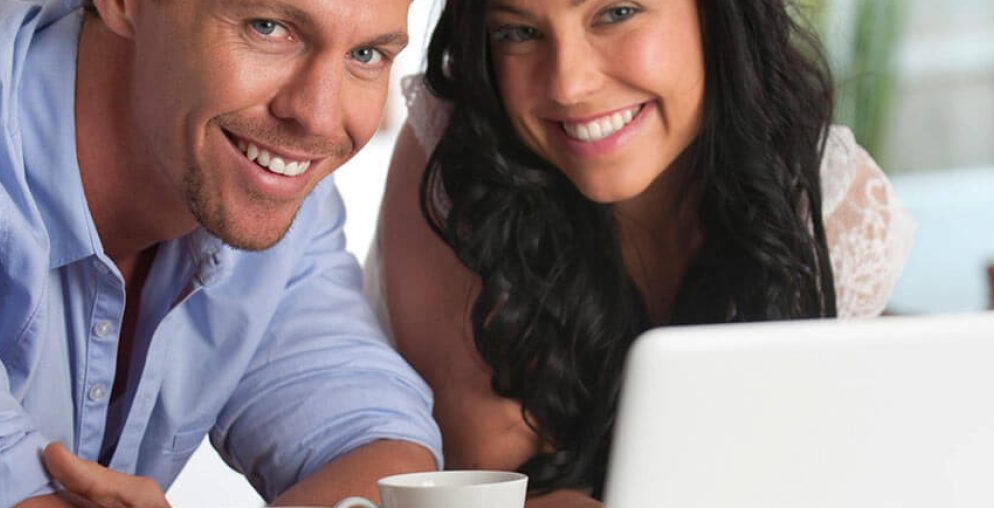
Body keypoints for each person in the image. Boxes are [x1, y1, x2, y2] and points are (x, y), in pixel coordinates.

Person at [0, 0, 442, 506]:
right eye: (268, 27)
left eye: (366, 55)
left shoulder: (258, 173)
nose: (317, 116)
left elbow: (388, 456)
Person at [366, 0, 914, 505]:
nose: (569, 85)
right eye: (518, 32)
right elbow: (509, 490)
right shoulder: (455, 154)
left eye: (616, 12)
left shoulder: (837, 205)